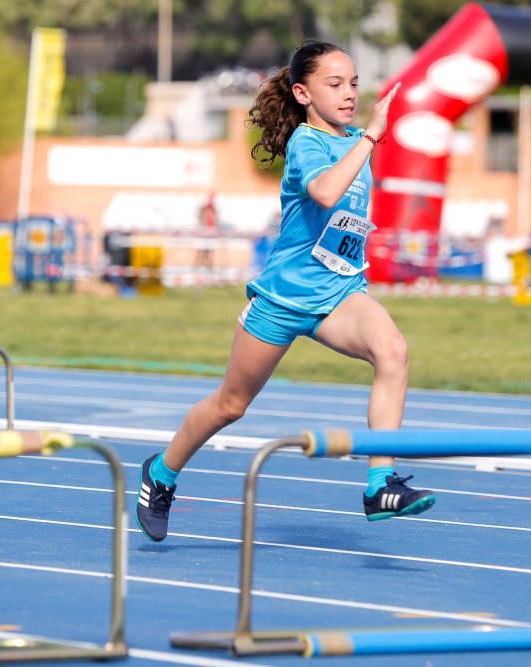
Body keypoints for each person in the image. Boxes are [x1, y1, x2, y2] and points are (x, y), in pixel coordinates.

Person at [135, 40, 435, 542]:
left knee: (393, 350)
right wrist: (371, 139)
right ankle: (161, 473)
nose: (349, 94)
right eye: (334, 84)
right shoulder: (307, 144)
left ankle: (380, 484)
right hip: (284, 299)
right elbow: (324, 193)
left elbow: (345, 217)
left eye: (354, 83)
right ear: (302, 92)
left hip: (340, 295)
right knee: (231, 405)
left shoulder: (358, 140)